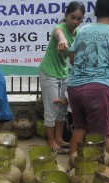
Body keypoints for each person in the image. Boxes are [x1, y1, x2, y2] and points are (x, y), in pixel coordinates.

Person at [67, 0, 109, 156]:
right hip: (98, 90)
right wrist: (108, 81)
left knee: (80, 128)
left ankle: (71, 167)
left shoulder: (82, 30)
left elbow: (72, 59)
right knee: (102, 135)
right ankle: (99, 171)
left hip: (74, 88)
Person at [39, 1, 85, 153]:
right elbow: (59, 34)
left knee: (63, 107)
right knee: (51, 108)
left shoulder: (78, 33)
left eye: (79, 18)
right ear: (66, 16)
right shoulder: (59, 28)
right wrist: (63, 40)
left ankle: (58, 139)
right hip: (49, 72)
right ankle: (51, 141)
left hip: (64, 73)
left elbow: (74, 57)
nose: (75, 22)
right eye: (72, 17)